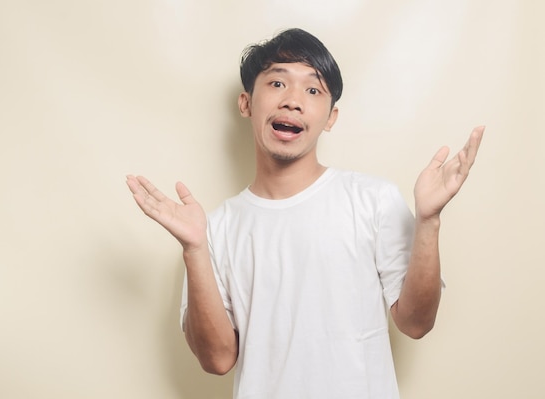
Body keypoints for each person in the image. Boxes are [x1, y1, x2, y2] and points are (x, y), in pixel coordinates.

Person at [126, 28, 485, 399]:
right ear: (246, 104)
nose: (293, 101)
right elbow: (216, 360)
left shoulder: (373, 199)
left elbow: (416, 323)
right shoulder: (213, 228)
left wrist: (429, 221)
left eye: (313, 90)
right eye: (277, 82)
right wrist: (195, 250)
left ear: (331, 117)